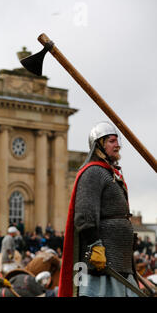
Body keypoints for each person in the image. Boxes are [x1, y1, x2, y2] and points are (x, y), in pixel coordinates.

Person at [59, 121, 138, 297]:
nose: (117, 145)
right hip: (102, 263)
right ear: (99, 145)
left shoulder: (112, 175)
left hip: (121, 262)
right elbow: (85, 214)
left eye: (117, 141)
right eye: (111, 141)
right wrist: (95, 245)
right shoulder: (93, 172)